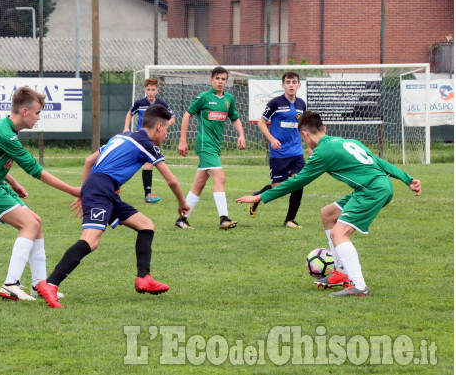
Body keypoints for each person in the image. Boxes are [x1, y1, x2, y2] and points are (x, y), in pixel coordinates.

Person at [236, 111, 422, 297]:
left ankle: (359, 286)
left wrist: (260, 197)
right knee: (328, 214)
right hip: (379, 185)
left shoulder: (322, 153)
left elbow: (296, 181)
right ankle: (340, 273)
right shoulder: (347, 141)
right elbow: (379, 162)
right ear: (324, 129)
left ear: (304, 134)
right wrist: (408, 179)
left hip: (371, 190)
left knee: (338, 234)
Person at [35, 105, 190, 308]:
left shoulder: (122, 136)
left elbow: (89, 160)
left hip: (105, 189)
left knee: (146, 225)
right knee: (90, 241)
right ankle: (51, 283)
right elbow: (171, 181)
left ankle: (144, 278)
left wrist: (84, 191)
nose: (166, 135)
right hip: (101, 188)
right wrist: (182, 203)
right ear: (159, 127)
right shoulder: (147, 144)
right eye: (167, 130)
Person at [0, 87, 80, 301]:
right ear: (24, 111)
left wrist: (12, 181)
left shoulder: (6, 128)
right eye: (37, 113)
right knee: (29, 225)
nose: (38, 118)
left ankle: (39, 285)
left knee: (36, 221)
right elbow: (35, 170)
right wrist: (75, 190)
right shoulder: (5, 133)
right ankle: (10, 284)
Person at [175, 66, 246, 230]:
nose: (220, 82)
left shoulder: (228, 99)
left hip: (215, 146)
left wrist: (241, 135)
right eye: (217, 78)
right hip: (204, 144)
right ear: (211, 80)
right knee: (220, 178)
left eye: (223, 79)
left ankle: (182, 219)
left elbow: (235, 118)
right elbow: (187, 115)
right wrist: (183, 140)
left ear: (226, 81)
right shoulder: (203, 97)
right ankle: (224, 219)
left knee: (199, 185)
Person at [248, 71, 307, 228]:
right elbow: (261, 123)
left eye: (294, 82)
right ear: (283, 85)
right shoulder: (275, 103)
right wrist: (272, 139)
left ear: (299, 85)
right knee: (279, 188)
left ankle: (290, 220)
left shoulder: (301, 104)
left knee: (299, 183)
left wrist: (310, 146)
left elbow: (302, 127)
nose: (291, 85)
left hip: (296, 152)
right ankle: (257, 197)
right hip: (279, 153)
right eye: (288, 82)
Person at [123, 77, 175, 204]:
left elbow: (172, 118)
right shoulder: (140, 104)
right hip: (140, 137)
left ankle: (148, 194)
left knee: (148, 163)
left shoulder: (161, 105)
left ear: (157, 90)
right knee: (136, 162)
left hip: (153, 138)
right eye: (148, 89)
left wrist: (164, 128)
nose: (150, 92)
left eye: (153, 89)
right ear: (145, 90)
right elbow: (130, 113)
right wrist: (126, 127)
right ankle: (146, 194)